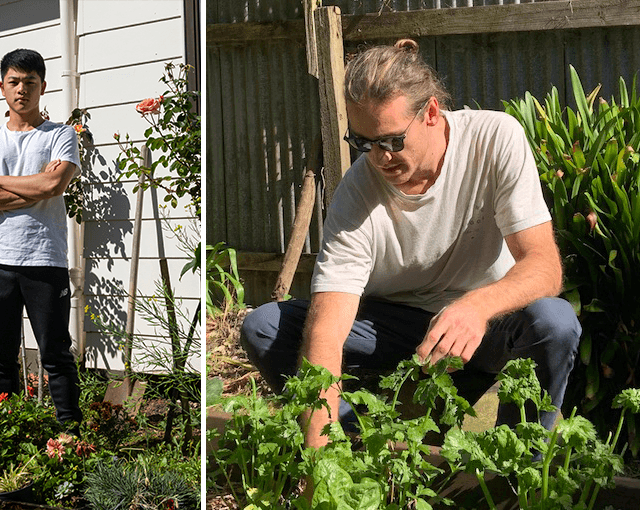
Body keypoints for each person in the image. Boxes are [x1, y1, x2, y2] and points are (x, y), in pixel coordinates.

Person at [241, 39, 580, 448]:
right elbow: (329, 328)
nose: (379, 159)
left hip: (483, 327)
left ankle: (513, 467)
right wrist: (320, 467)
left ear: (431, 113)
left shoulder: (494, 140)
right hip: (397, 331)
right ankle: (362, 446)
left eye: (391, 141)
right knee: (266, 328)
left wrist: (475, 306)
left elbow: (545, 266)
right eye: (363, 143)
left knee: (554, 322)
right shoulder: (356, 193)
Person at [0, 48, 82, 427]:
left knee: (56, 352)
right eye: (14, 82)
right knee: (0, 354)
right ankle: (6, 432)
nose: (22, 90)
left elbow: (54, 182)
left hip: (44, 258)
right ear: (2, 87)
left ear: (43, 87)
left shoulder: (60, 135)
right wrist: (35, 189)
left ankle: (69, 434)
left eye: (30, 82)